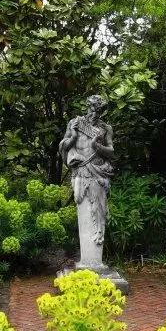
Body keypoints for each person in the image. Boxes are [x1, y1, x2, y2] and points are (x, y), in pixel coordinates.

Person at [59, 94, 114, 268]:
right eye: (92, 108)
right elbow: (63, 146)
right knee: (82, 206)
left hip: (98, 173)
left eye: (99, 110)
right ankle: (86, 261)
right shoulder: (75, 123)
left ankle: (94, 261)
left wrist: (97, 145)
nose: (95, 113)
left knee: (99, 210)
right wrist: (74, 136)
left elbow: (111, 152)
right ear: (87, 107)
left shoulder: (106, 129)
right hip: (81, 171)